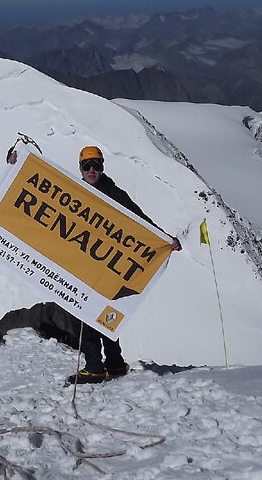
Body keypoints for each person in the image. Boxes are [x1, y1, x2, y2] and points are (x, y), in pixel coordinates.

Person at [67, 145, 181, 384]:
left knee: (93, 314)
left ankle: (96, 368)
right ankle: (115, 364)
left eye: (95, 166)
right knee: (99, 313)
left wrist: (164, 240)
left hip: (107, 266)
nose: (91, 170)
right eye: (87, 166)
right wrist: (16, 163)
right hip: (88, 265)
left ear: (102, 168)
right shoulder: (75, 192)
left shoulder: (115, 194)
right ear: (80, 168)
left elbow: (141, 221)